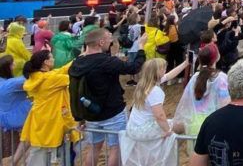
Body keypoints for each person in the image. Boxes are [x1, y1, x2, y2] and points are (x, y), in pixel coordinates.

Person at [68, 28, 148, 166]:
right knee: (116, 148)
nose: (110, 42)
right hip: (113, 112)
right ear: (100, 42)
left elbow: (74, 92)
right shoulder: (106, 61)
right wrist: (141, 47)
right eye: (108, 39)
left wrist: (79, 116)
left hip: (91, 113)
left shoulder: (77, 63)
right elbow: (134, 68)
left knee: (94, 148)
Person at [119, 57, 188, 165]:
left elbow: (169, 76)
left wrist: (185, 64)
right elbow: (159, 115)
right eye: (163, 68)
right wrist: (168, 131)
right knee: (180, 126)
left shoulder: (143, 84)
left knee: (173, 125)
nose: (165, 70)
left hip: (133, 127)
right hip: (143, 129)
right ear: (157, 72)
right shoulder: (155, 91)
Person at [20, 50, 80, 166]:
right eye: (51, 57)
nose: (54, 59)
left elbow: (61, 70)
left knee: (38, 153)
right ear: (46, 62)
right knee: (58, 156)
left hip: (38, 120)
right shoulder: (50, 78)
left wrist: (78, 60)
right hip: (53, 122)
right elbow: (72, 78)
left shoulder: (34, 78)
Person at [174, 45, 230, 136]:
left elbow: (186, 101)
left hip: (194, 125)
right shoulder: (222, 79)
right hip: (214, 126)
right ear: (216, 58)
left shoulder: (195, 78)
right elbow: (225, 105)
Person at [0, 55, 31, 164]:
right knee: (28, 139)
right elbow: (29, 80)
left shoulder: (4, 82)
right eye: (13, 63)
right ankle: (15, 162)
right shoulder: (11, 84)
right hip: (16, 119)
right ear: (8, 67)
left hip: (5, 120)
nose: (15, 64)